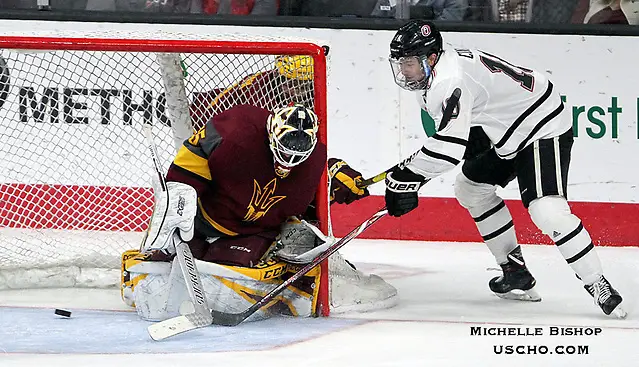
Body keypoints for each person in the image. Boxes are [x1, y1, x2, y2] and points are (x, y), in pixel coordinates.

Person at [381, 20, 626, 318]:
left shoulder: (448, 80)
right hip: (507, 128)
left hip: (540, 125)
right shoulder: (434, 77)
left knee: (546, 210)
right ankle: (514, 270)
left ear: (431, 58)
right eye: (400, 64)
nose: (404, 71)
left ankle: (598, 284)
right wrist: (414, 173)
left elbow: (448, 150)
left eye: (409, 63)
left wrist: (406, 176)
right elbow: (455, 136)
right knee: (470, 189)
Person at [120, 103, 391, 321]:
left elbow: (309, 197)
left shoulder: (315, 161)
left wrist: (334, 181)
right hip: (203, 216)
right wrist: (182, 195)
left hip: (254, 232)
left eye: (298, 157)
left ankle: (288, 287)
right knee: (159, 259)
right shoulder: (235, 130)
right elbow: (194, 155)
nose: (288, 163)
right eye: (283, 152)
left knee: (223, 270)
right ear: (271, 133)